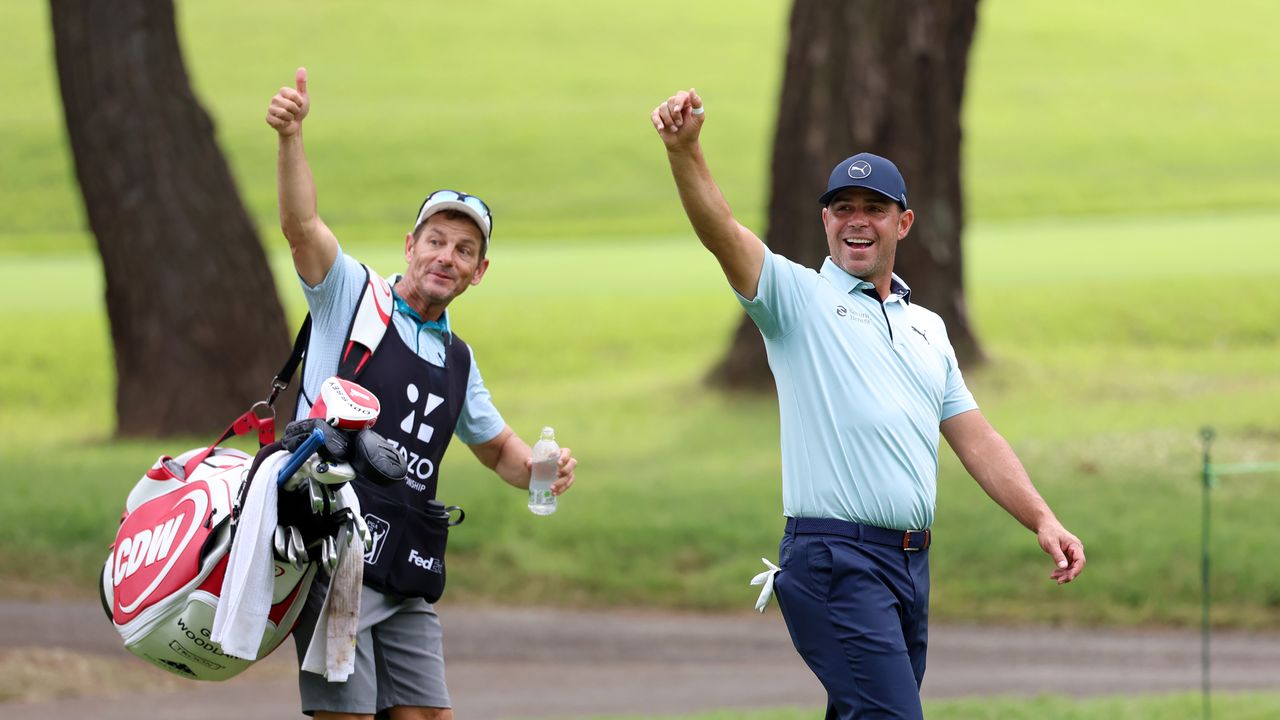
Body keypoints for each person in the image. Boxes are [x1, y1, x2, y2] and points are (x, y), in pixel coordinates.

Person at [650, 88, 1085, 719]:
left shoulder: (927, 329)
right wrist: (685, 150)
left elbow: (975, 437)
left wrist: (1042, 519)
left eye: (874, 208)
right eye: (843, 207)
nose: (858, 219)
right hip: (834, 560)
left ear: (902, 222)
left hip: (908, 564)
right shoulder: (795, 301)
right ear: (825, 220)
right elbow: (721, 231)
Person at [266, 67, 578, 720]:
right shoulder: (351, 295)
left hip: (405, 564)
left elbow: (501, 455)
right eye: (435, 241)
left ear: (479, 272)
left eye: (464, 249)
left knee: (428, 715)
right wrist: (292, 137)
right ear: (410, 245)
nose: (446, 257)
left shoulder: (457, 360)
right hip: (333, 553)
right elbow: (302, 226)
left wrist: (544, 471)